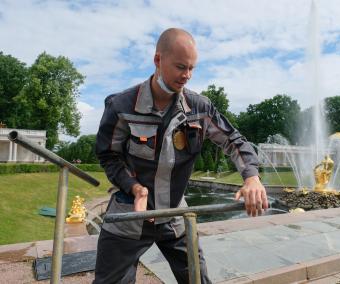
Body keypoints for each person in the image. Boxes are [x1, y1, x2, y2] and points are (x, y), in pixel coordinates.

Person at [94, 27, 268, 284]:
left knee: (198, 280)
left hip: (175, 216)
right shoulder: (121, 106)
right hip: (129, 216)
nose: (186, 75)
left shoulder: (200, 108)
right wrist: (135, 188)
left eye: (191, 68)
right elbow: (108, 155)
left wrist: (251, 177)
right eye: (180, 67)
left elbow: (233, 140)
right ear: (158, 60)